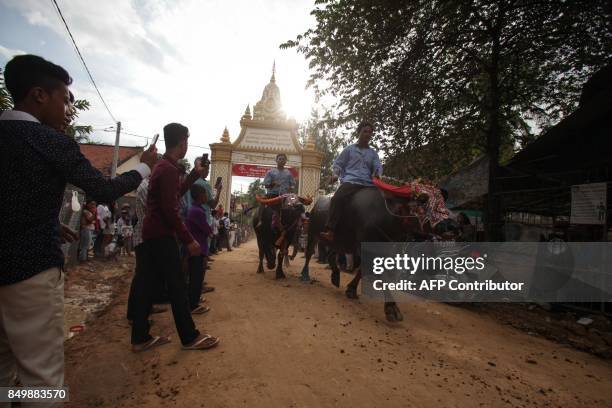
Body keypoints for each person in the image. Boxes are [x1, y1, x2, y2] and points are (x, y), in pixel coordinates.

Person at [0, 54, 157, 395]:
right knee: (41, 374)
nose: (70, 108)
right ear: (40, 95)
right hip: (30, 272)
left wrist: (47, 222)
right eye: (66, 99)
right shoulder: (50, 141)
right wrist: (143, 166)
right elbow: (102, 189)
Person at [130, 122, 219, 352]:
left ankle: (140, 337)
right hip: (161, 234)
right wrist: (189, 239)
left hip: (151, 233)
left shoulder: (163, 167)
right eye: (187, 141)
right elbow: (170, 210)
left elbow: (176, 193)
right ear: (183, 143)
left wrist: (193, 174)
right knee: (177, 285)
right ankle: (189, 337)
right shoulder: (167, 169)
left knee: (146, 284)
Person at [320, 122, 382, 242]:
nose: (368, 134)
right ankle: (331, 230)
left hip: (368, 184)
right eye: (365, 131)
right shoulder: (349, 150)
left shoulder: (373, 154)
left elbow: (377, 166)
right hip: (351, 182)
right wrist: (335, 175)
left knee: (382, 201)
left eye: (370, 132)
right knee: (336, 199)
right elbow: (338, 164)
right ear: (359, 132)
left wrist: (377, 173)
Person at [185, 184, 212, 314]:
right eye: (206, 193)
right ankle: (193, 305)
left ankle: (193, 300)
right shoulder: (197, 211)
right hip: (198, 249)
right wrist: (210, 231)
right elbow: (207, 229)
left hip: (199, 247)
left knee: (196, 276)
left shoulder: (196, 210)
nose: (207, 196)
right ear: (201, 196)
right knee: (196, 277)